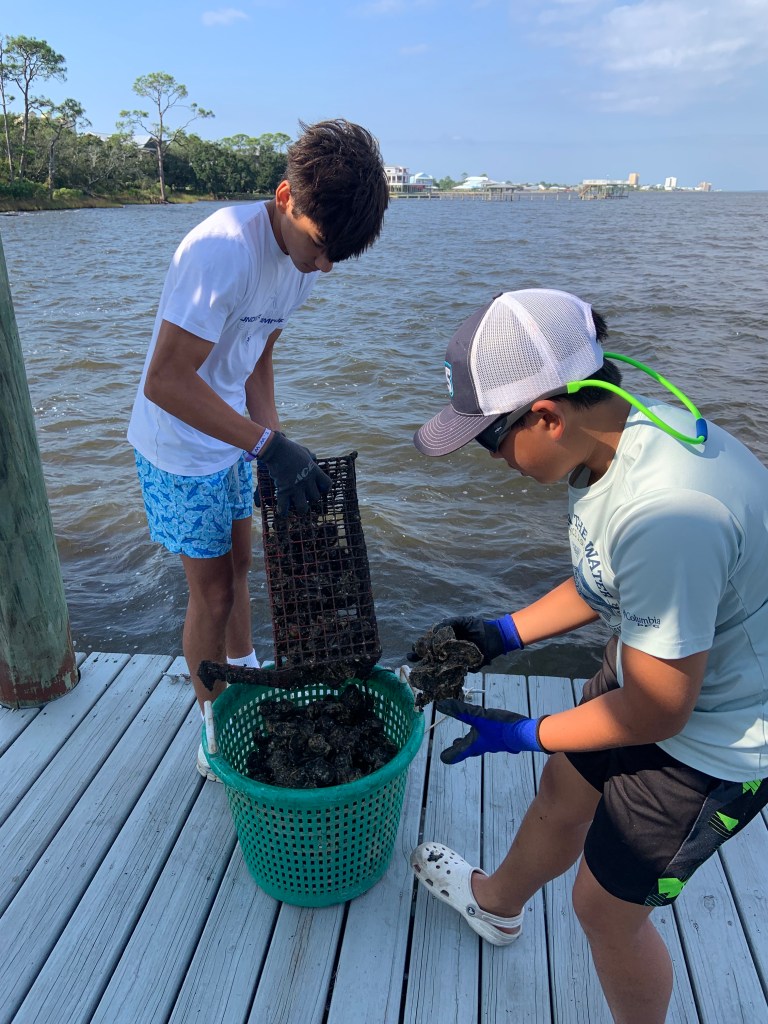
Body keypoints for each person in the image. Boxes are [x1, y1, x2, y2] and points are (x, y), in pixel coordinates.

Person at [408, 288, 768, 1024]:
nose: (493, 460)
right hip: (658, 658)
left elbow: (659, 711)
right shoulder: (620, 434)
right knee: (563, 792)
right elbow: (609, 574)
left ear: (547, 415)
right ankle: (496, 904)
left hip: (716, 737)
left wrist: (524, 731)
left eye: (489, 439)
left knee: (603, 912)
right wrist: (501, 633)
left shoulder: (671, 513)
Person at [128, 119, 388, 780]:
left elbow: (257, 355)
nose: (325, 266)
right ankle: (213, 729)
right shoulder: (221, 250)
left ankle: (244, 680)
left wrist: (273, 440)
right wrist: (266, 445)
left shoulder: (302, 267)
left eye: (338, 257)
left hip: (233, 440)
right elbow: (165, 382)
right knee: (211, 595)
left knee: (244, 565)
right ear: (284, 198)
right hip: (180, 447)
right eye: (323, 247)